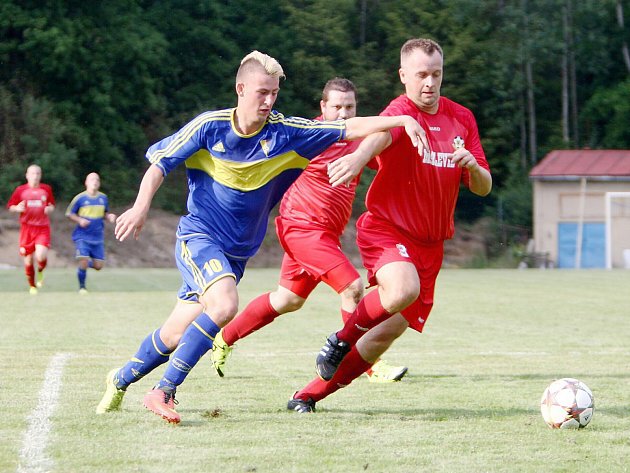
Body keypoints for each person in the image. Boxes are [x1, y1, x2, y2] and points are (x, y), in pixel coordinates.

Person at [96, 50, 429, 424]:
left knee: (175, 334)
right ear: (240, 89)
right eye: (261, 92)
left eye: (274, 93)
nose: (269, 101)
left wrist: (401, 117)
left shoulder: (286, 133)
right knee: (223, 306)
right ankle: (164, 390)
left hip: (237, 254)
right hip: (199, 237)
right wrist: (141, 206)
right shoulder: (210, 126)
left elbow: (346, 128)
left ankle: (120, 379)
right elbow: (161, 163)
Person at [287, 38, 492, 413]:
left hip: (431, 246)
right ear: (403, 76)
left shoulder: (462, 118)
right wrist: (356, 159)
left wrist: (473, 167)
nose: (429, 83)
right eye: (421, 75)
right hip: (388, 229)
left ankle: (309, 395)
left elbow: (484, 187)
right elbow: (380, 135)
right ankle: (339, 340)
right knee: (400, 290)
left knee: (384, 335)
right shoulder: (401, 111)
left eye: (436, 74)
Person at [210, 77, 408, 383]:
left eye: (350, 107)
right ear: (323, 107)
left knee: (288, 299)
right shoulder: (308, 135)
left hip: (326, 236)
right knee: (352, 288)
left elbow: (387, 141)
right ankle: (367, 364)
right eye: (337, 107)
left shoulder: (358, 136)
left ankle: (224, 338)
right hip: (301, 228)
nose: (343, 114)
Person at [6, 164, 56, 295]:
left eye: (38, 173)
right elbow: (11, 206)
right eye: (33, 173)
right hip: (27, 229)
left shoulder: (46, 189)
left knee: (41, 255)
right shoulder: (20, 190)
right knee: (28, 260)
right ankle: (32, 286)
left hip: (42, 227)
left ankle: (40, 270)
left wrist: (49, 209)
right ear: (27, 175)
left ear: (41, 175)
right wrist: (17, 208)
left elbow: (51, 205)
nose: (35, 176)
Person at [65, 172, 117, 294]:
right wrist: (80, 220)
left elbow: (105, 213)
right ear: (86, 182)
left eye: (97, 180)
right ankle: (82, 287)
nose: (95, 182)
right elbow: (69, 213)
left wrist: (109, 216)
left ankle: (81, 263)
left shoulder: (103, 198)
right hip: (82, 236)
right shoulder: (80, 198)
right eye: (92, 179)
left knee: (99, 266)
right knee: (83, 259)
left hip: (97, 237)